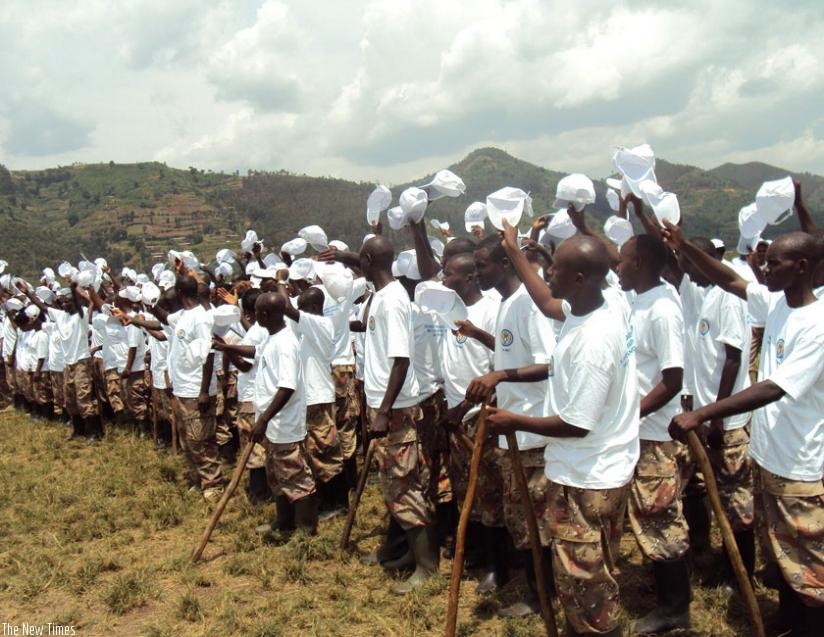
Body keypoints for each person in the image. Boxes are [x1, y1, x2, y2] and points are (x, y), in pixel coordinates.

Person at [664, 224, 824, 637]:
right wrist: (684, 245)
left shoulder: (817, 323)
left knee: (808, 563)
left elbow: (774, 387)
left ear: (802, 266)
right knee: (778, 553)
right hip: (770, 455)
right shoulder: (777, 305)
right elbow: (729, 278)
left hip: (801, 464)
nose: (764, 270)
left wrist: (703, 414)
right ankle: (788, 618)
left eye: (774, 263)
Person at [489, 231, 639, 637]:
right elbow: (544, 300)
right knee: (594, 571)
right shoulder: (601, 306)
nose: (547, 272)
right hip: (606, 465)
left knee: (584, 583)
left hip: (586, 477)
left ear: (581, 279)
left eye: (556, 268)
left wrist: (514, 421)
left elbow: (576, 423)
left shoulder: (592, 341)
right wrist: (514, 250)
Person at [462, 232, 555, 617]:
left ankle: (543, 596)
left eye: (481, 266)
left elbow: (548, 363)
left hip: (534, 433)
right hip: (513, 431)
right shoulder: (505, 305)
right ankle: (535, 588)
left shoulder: (528, 305)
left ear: (504, 265)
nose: (476, 272)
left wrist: (499, 377)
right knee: (521, 520)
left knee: (537, 524)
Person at [616, 234, 692, 633]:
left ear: (641, 262)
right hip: (636, 429)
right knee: (646, 514)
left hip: (654, 433)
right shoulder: (636, 301)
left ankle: (675, 607)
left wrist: (631, 415)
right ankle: (662, 591)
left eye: (623, 261)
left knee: (660, 515)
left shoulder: (662, 309)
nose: (617, 267)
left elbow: (672, 379)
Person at [359, 235, 436, 595]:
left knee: (404, 485)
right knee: (393, 483)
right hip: (382, 404)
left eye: (360, 256)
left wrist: (385, 410)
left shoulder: (393, 302)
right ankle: (402, 550)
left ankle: (427, 566)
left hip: (396, 408)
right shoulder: (380, 297)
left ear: (369, 258)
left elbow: (401, 360)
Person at [439, 252, 506, 594]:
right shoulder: (448, 311)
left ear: (468, 278)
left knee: (491, 493)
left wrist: (465, 405)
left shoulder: (491, 312)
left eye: (448, 273)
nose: (443, 278)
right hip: (455, 417)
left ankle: (498, 567)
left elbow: (498, 367)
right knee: (467, 489)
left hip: (480, 416)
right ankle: (477, 552)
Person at [249, 292, 319, 534]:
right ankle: (284, 521)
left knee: (296, 478)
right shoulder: (272, 338)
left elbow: (287, 386)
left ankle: (305, 530)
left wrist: (264, 418)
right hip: (272, 425)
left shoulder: (286, 344)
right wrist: (224, 346)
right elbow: (255, 354)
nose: (254, 315)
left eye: (257, 312)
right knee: (277, 477)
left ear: (265, 315)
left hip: (284, 424)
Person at [167, 274, 223, 502]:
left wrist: (203, 391)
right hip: (182, 388)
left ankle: (213, 484)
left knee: (201, 440)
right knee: (188, 440)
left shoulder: (199, 318)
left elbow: (208, 354)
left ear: (180, 294)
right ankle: (197, 479)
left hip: (195, 389)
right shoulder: (184, 316)